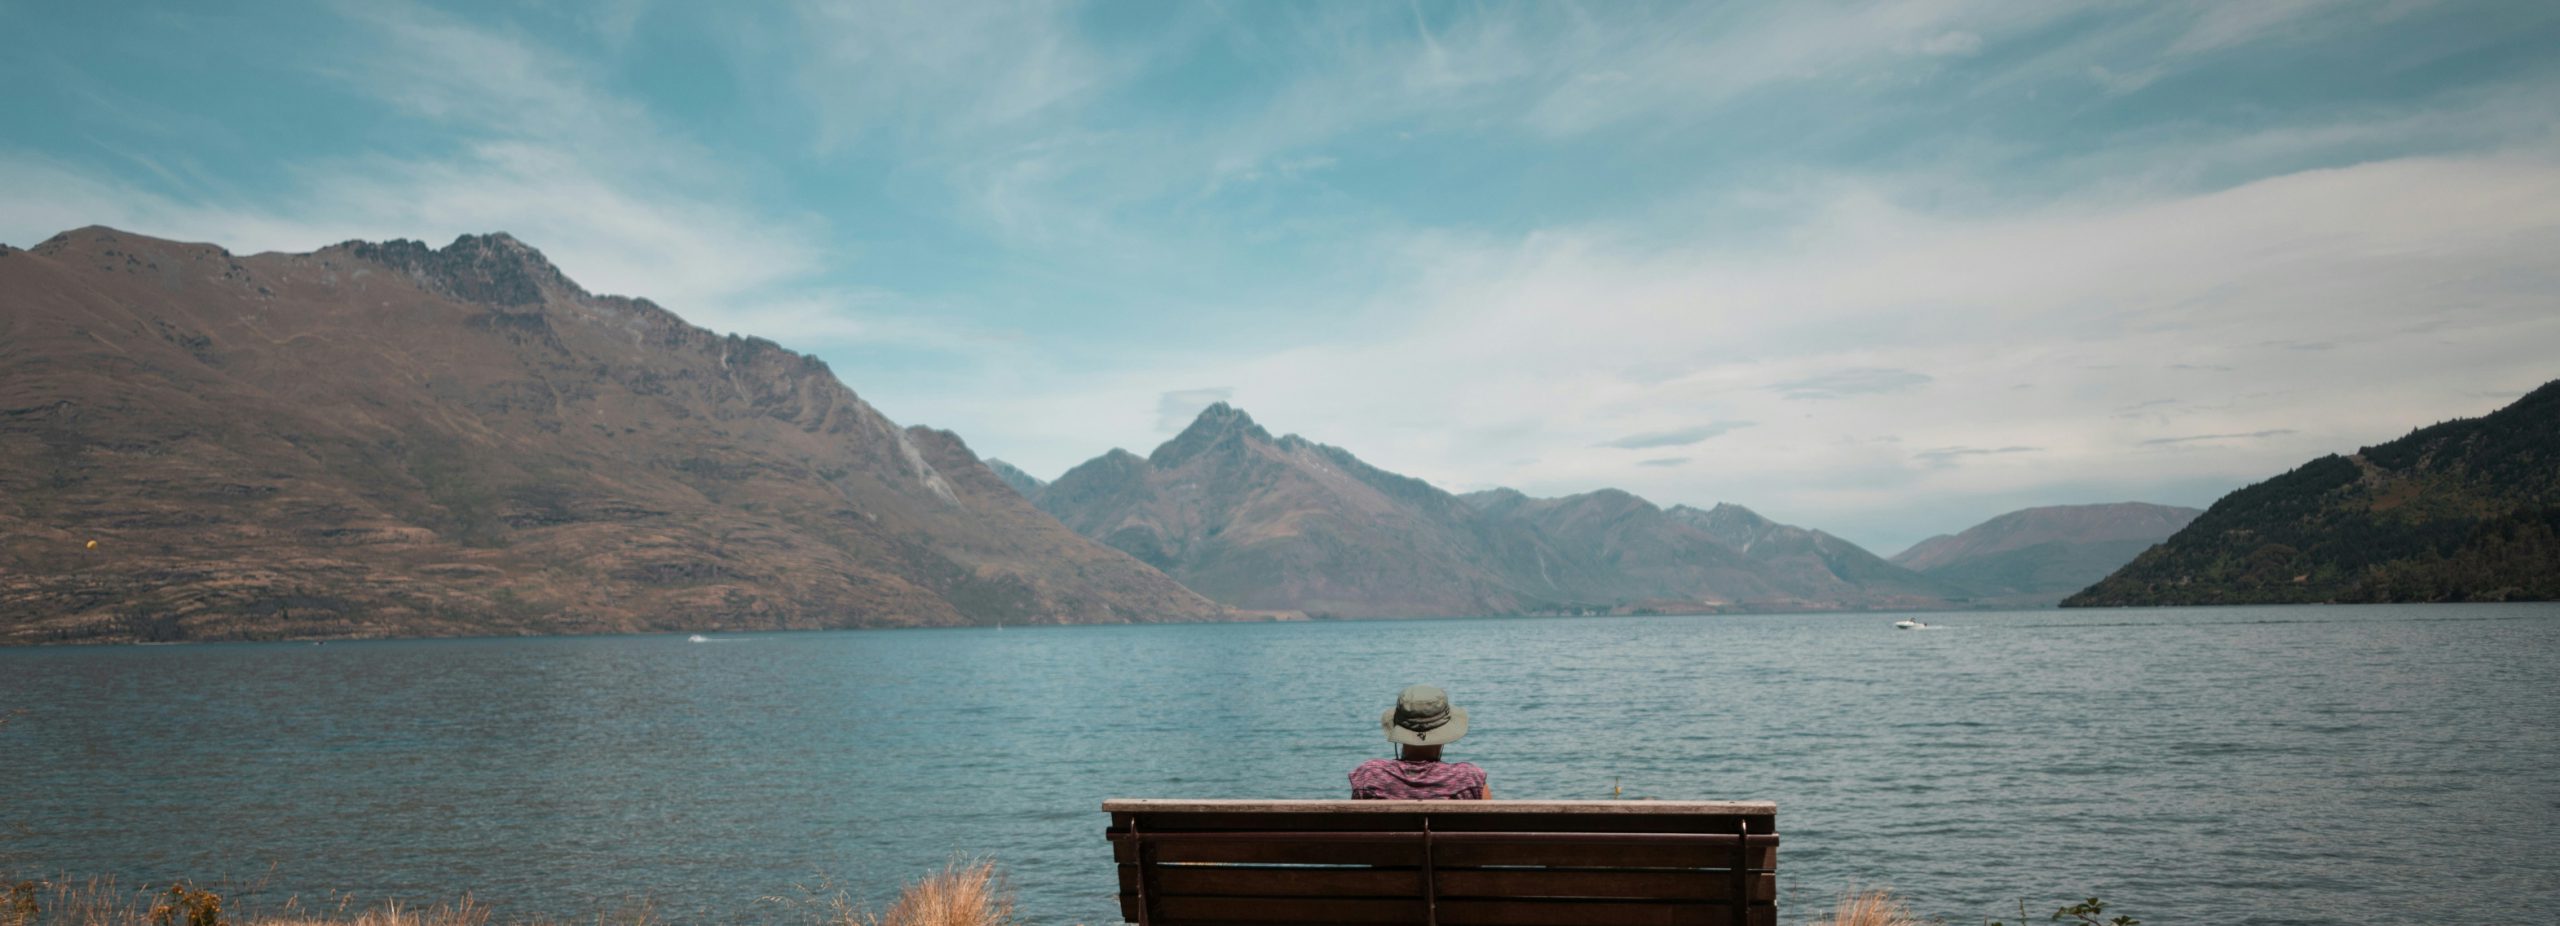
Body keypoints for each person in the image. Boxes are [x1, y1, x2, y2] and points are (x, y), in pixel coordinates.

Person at [1349, 684, 1490, 800]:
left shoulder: (1369, 776)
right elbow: (1494, 829)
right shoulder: (1470, 779)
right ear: (1445, 731)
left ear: (1397, 726)